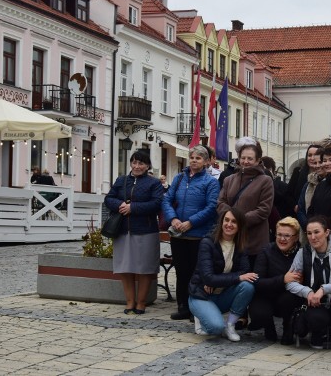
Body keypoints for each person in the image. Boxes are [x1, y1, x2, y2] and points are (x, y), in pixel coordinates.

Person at [162, 145, 220, 321]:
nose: (194, 160)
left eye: (198, 158)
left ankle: (198, 309)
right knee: (181, 272)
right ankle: (183, 306)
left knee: (198, 273)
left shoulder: (211, 182)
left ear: (206, 161)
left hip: (199, 234)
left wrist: (191, 222)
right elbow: (166, 199)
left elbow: (211, 207)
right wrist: (173, 219)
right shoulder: (179, 178)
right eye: (192, 157)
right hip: (179, 234)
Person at [286, 216, 331, 355]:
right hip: (315, 303)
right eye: (309, 233)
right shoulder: (303, 253)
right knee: (317, 318)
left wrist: (324, 289)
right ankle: (317, 332)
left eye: (316, 232)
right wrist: (307, 292)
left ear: (327, 232)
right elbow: (290, 283)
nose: (313, 237)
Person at [104, 151, 163, 314]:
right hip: (123, 230)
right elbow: (108, 199)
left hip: (146, 230)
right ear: (130, 163)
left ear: (147, 166)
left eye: (141, 163)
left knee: (144, 268)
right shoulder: (121, 180)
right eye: (134, 162)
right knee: (125, 267)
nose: (137, 166)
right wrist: (120, 205)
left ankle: (141, 302)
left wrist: (133, 207)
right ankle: (129, 301)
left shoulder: (154, 183)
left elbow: (157, 204)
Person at [188, 207, 257, 341]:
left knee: (248, 286)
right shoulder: (207, 242)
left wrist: (217, 281)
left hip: (223, 293)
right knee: (215, 328)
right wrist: (234, 277)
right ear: (221, 222)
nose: (229, 224)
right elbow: (208, 277)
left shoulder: (241, 245)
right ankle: (201, 315)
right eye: (226, 220)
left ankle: (230, 324)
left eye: (234, 222)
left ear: (240, 226)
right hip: (201, 295)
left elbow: (244, 271)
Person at [218, 137, 274, 268]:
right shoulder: (229, 179)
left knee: (253, 280)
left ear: (258, 160)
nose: (246, 161)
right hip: (231, 239)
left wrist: (238, 221)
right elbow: (221, 202)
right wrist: (231, 220)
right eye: (243, 158)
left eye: (250, 158)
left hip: (254, 240)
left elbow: (264, 210)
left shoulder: (265, 180)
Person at [249, 217, 303, 344]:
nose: (282, 239)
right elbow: (258, 282)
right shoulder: (266, 251)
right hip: (266, 295)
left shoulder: (302, 254)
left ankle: (288, 327)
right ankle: (268, 325)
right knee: (259, 313)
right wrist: (283, 279)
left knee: (289, 298)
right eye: (279, 234)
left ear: (296, 237)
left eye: (287, 236)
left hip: (288, 297)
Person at [287, 143, 323, 214]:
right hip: (297, 213)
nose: (312, 158)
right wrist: (294, 205)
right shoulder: (298, 171)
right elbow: (289, 193)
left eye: (315, 155)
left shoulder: (323, 175)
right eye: (309, 155)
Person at [296, 155, 325, 232]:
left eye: (320, 162)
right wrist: (307, 226)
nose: (317, 166)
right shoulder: (308, 184)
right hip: (307, 230)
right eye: (315, 163)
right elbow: (300, 208)